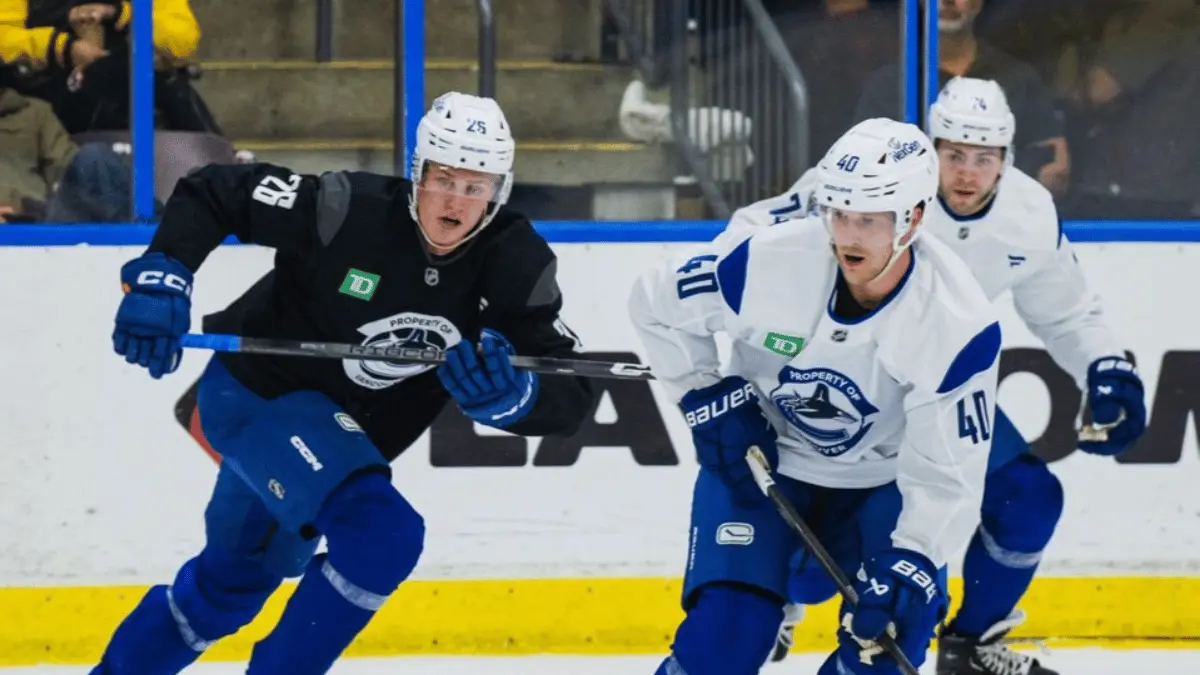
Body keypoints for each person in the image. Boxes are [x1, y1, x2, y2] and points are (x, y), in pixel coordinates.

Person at [95, 91, 595, 675]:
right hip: (255, 400)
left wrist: (516, 399)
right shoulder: (344, 209)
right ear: (418, 172)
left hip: (334, 443)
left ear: (498, 190)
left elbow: (569, 389)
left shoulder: (516, 262)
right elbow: (215, 191)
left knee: (229, 585)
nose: (455, 202)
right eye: (444, 178)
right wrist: (163, 277)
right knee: (382, 537)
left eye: (476, 185)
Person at [769, 77, 1147, 675]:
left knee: (1029, 499)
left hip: (937, 396)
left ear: (1007, 159)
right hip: (842, 391)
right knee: (819, 563)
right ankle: (777, 600)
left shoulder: (1026, 214)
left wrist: (1106, 365)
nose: (967, 174)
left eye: (984, 158)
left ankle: (969, 645)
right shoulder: (871, 185)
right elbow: (762, 246)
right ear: (931, 149)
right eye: (953, 155)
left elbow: (1068, 313)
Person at [628, 117, 1002, 675]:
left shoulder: (955, 323)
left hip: (879, 488)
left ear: (914, 218)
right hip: (761, 466)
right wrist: (704, 394)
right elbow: (655, 301)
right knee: (723, 641)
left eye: (870, 219)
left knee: (885, 648)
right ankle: (767, 598)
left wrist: (916, 556)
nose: (849, 233)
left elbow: (949, 475)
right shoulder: (767, 260)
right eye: (840, 213)